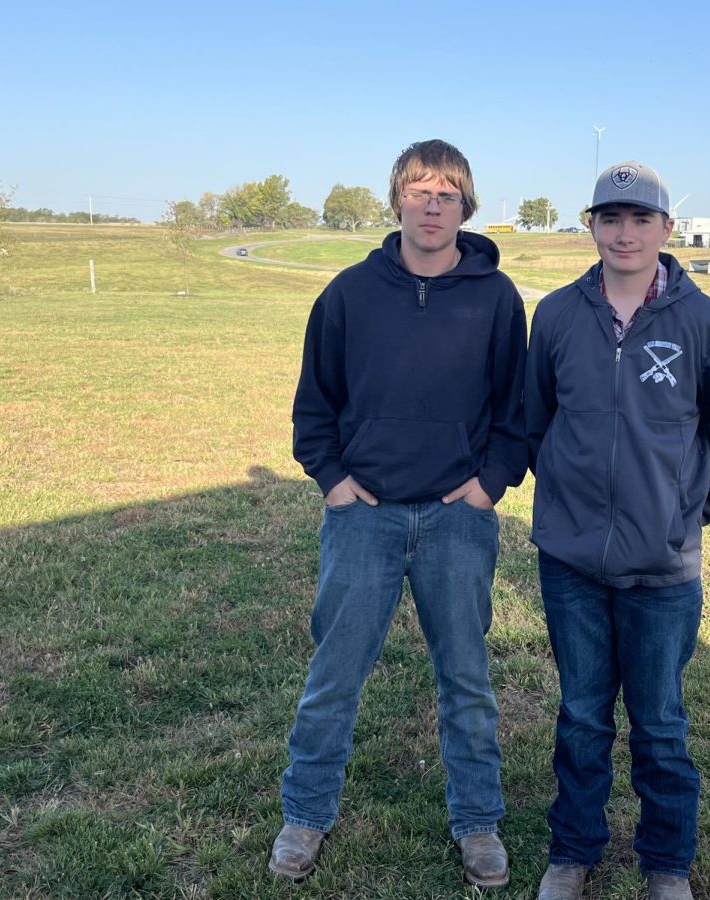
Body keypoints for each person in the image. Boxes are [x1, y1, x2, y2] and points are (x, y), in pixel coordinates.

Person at [271, 139, 527, 889]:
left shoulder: (495, 298)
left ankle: (477, 821)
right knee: (334, 677)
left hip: (458, 521)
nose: (433, 202)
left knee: (467, 679)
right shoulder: (349, 293)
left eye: (448, 190)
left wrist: (488, 487)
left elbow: (517, 410)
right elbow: (315, 404)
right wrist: (334, 482)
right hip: (365, 520)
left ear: (466, 205)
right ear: (396, 201)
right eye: (419, 189)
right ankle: (305, 814)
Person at [525, 161, 710, 900]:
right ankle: (573, 851)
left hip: (663, 568)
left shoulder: (703, 320)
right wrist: (566, 506)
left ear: (666, 229)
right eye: (609, 218)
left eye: (640, 219)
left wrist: (685, 514)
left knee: (659, 725)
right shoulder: (557, 315)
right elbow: (535, 422)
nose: (624, 233)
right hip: (571, 563)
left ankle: (666, 864)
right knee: (582, 718)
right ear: (590, 225)